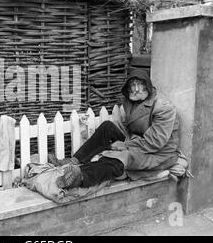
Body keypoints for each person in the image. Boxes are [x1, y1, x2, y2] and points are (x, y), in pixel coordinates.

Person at [49, 69, 180, 189]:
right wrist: (124, 142)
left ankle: (80, 176)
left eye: (139, 84)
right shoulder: (133, 101)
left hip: (157, 153)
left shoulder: (163, 108)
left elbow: (155, 142)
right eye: (132, 85)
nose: (135, 89)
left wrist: (125, 145)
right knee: (107, 127)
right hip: (138, 141)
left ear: (148, 86)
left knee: (121, 158)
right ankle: (73, 161)